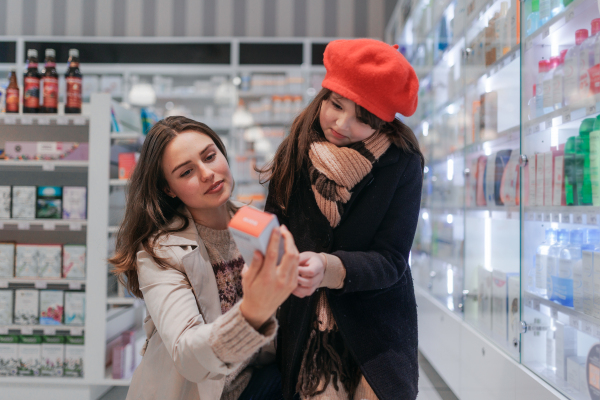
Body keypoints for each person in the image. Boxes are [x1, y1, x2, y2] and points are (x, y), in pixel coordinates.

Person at [262, 39, 424, 400]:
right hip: (305, 325)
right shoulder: (295, 149)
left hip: (377, 328)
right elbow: (273, 231)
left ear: (384, 122)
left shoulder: (403, 163)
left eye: (362, 118)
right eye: (335, 105)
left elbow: (392, 259)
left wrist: (329, 267)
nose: (341, 123)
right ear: (324, 94)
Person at [109, 116, 299, 400]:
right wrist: (252, 313)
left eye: (210, 157)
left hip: (253, 383)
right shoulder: (160, 251)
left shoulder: (257, 224)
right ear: (168, 189)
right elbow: (188, 356)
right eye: (186, 172)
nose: (208, 173)